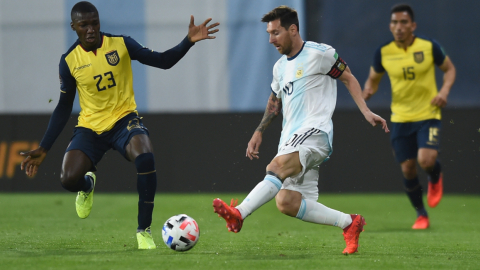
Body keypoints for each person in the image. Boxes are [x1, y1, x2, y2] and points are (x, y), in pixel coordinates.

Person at [19, 1, 219, 249]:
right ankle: (87, 185)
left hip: (124, 119)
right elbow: (63, 107)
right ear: (74, 27)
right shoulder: (69, 61)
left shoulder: (121, 44)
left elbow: (163, 61)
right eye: (84, 25)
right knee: (68, 179)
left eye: (95, 23)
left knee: (145, 157)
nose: (91, 29)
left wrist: (187, 41)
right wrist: (44, 147)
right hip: (90, 128)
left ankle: (143, 230)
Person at [213, 6, 389, 255]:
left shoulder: (321, 54)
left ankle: (238, 214)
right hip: (290, 138)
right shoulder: (279, 68)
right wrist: (259, 131)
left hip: (315, 133)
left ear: (293, 29)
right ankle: (350, 223)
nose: (271, 39)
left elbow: (348, 77)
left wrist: (366, 111)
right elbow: (275, 100)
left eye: (275, 32)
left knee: (275, 168)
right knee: (287, 202)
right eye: (268, 33)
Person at [362, 4, 456, 230]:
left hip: (428, 113)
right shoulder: (384, 52)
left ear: (413, 25)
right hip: (401, 118)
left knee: (426, 160)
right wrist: (366, 93)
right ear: (390, 26)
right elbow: (373, 80)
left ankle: (435, 175)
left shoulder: (429, 46)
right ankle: (421, 214)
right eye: (394, 23)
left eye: (404, 22)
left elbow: (450, 70)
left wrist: (443, 92)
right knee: (408, 168)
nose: (399, 27)